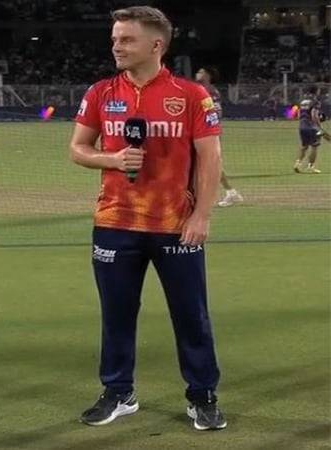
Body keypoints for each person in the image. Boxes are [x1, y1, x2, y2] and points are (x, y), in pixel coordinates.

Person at [69, 6, 226, 431]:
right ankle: (119, 392)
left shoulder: (192, 95)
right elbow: (78, 149)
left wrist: (201, 215)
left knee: (191, 315)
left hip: (176, 224)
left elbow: (209, 159)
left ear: (156, 45)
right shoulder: (101, 92)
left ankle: (202, 396)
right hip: (115, 223)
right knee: (117, 314)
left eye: (126, 39)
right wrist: (114, 159)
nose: (115, 45)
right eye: (115, 38)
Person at [195, 66, 243, 207]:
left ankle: (229, 192)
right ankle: (230, 192)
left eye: (201, 71)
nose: (197, 73)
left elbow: (211, 113)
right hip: (204, 131)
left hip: (206, 132)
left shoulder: (208, 91)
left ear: (208, 75)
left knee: (209, 163)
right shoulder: (204, 90)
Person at [294, 87, 323, 174]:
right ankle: (311, 166)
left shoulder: (302, 102)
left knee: (304, 146)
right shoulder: (315, 102)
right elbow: (314, 115)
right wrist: (319, 126)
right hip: (311, 127)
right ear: (316, 91)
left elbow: (298, 114)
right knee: (314, 146)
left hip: (302, 126)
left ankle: (297, 164)